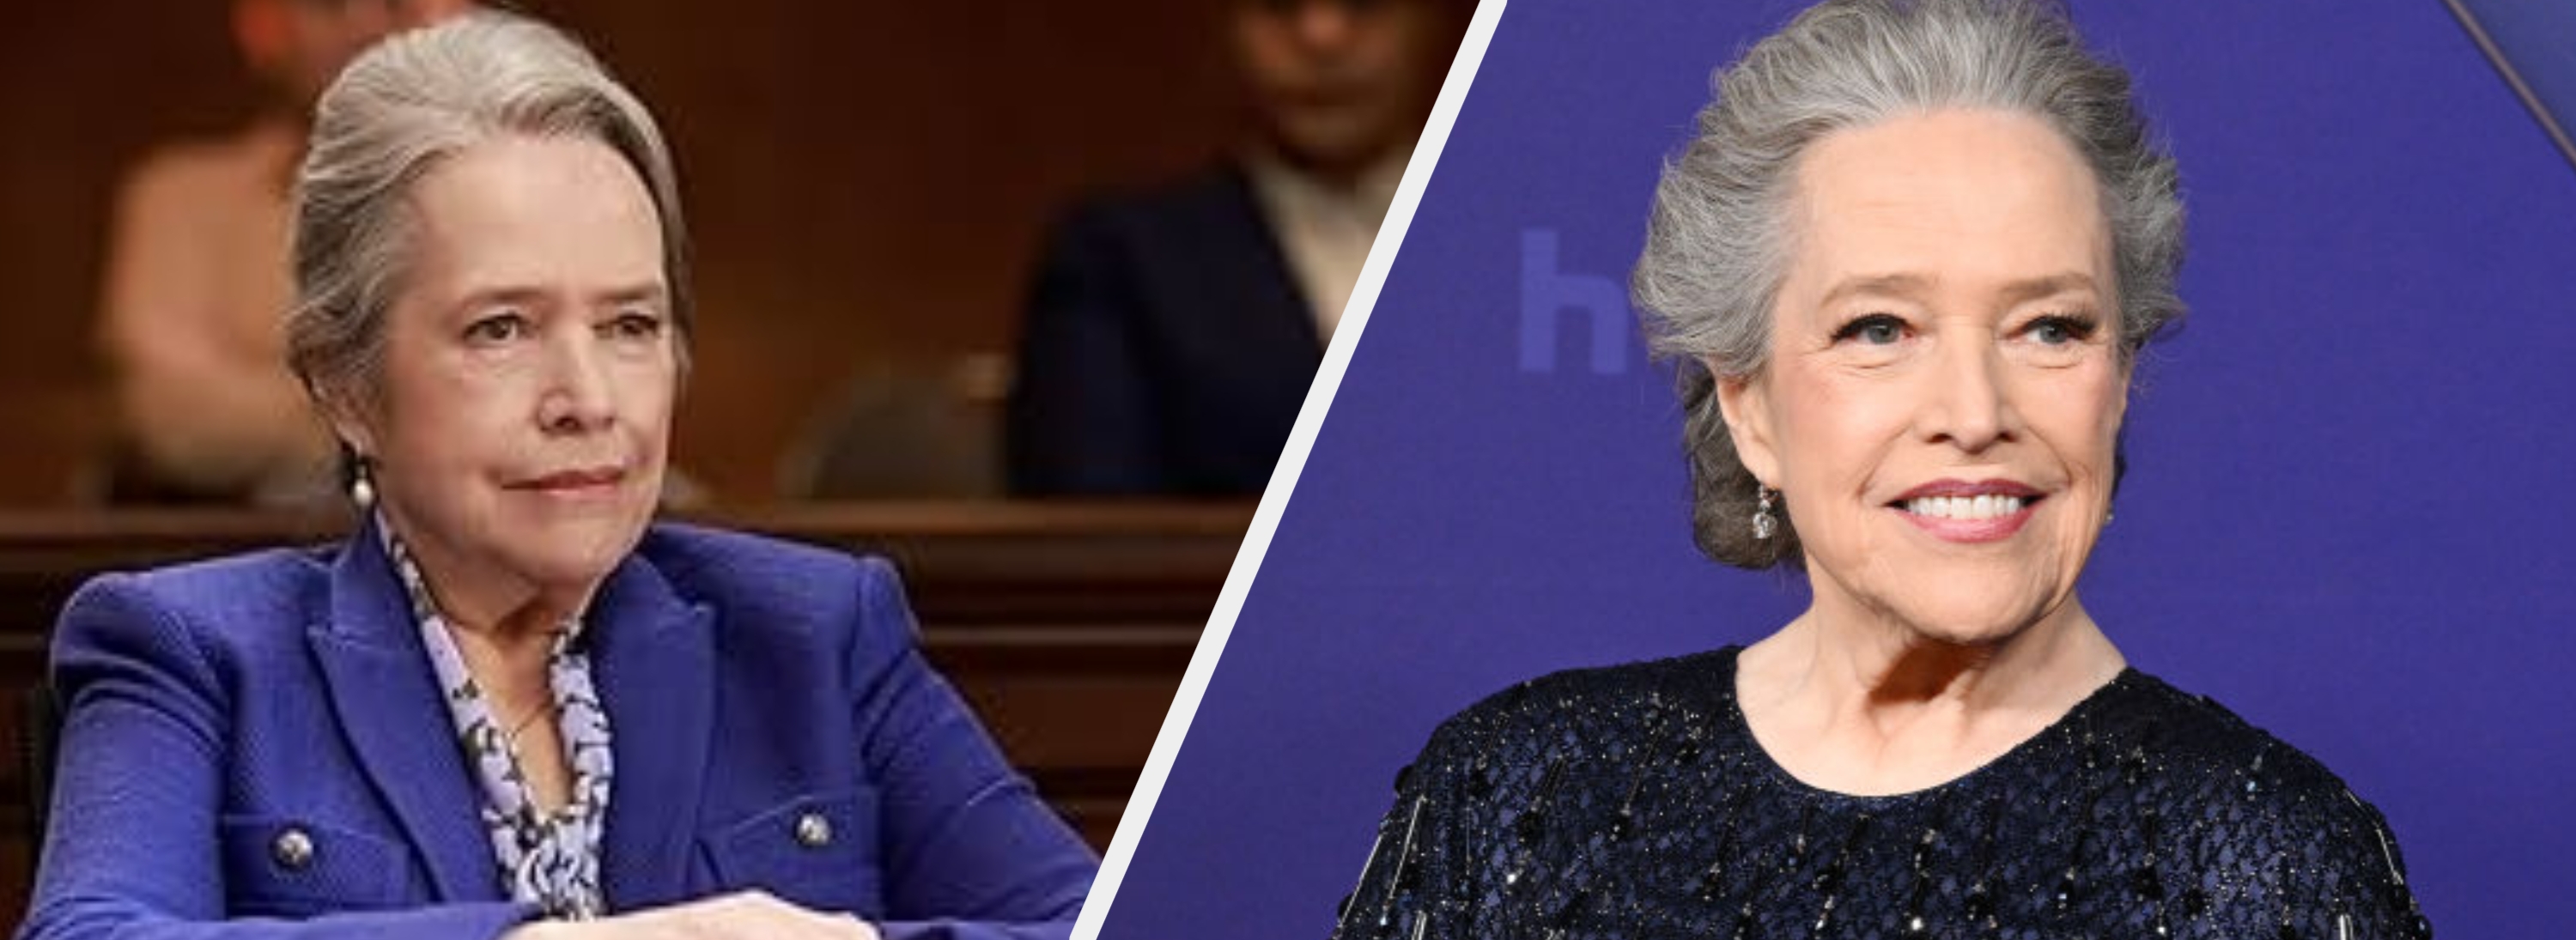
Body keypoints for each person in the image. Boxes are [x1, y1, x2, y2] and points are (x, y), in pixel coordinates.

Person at [1330, 1, 2433, 937]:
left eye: (2049, 327)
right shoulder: (1518, 794)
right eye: (1879, 329)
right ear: (1748, 403)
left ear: (2122, 378)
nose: (1974, 413)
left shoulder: (2274, 867)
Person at [23, 13, 1093, 940]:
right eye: (501, 329)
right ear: (345, 387)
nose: (587, 395)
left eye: (631, 324)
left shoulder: (818, 633)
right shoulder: (192, 653)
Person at [1005, 0, 1464, 497]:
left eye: (1366, 3)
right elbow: (1088, 537)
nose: (1322, 36)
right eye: (1278, 5)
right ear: (1227, 24)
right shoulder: (1117, 260)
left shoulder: (1537, 242)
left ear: (1433, 20)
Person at [97, 0, 466, 504]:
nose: (362, 25)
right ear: (265, 27)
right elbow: (172, 416)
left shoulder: (528, 190)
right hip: (246, 545)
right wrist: (420, 406)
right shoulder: (181, 196)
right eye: (328, 5)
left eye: (394, 4)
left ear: (458, 19)